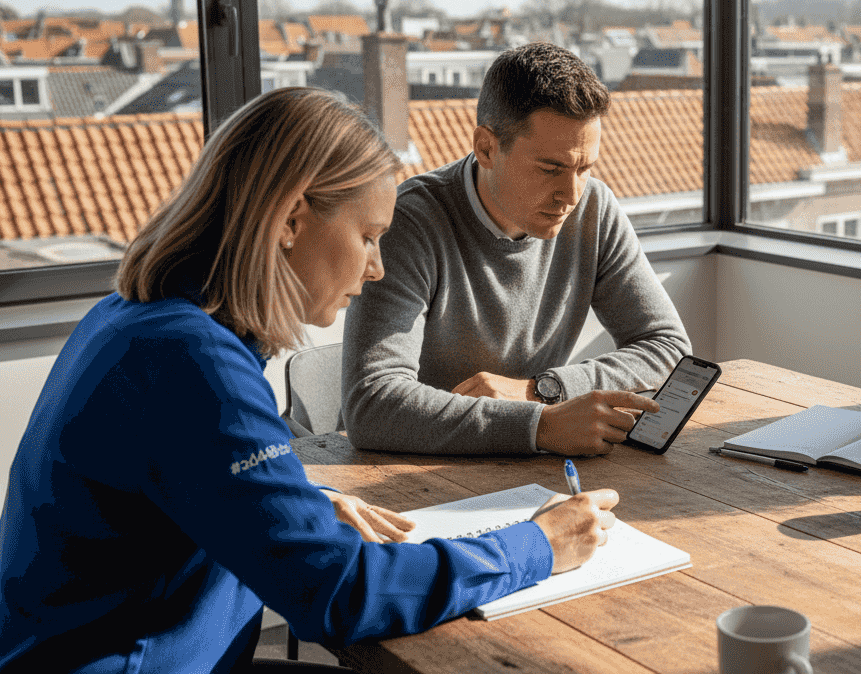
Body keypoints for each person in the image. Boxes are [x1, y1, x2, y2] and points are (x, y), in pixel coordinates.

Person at [0, 87, 619, 673]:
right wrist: (536, 545)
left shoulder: (139, 319)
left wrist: (302, 503)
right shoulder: (191, 364)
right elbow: (340, 595)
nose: (377, 267)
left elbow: (187, 491)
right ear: (293, 219)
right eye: (369, 236)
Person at [342, 42, 689, 457]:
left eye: (585, 168)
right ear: (486, 147)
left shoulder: (594, 209)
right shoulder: (410, 223)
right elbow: (373, 404)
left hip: (529, 469)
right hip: (402, 474)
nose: (571, 194)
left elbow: (669, 349)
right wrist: (539, 427)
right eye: (550, 169)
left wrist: (543, 390)